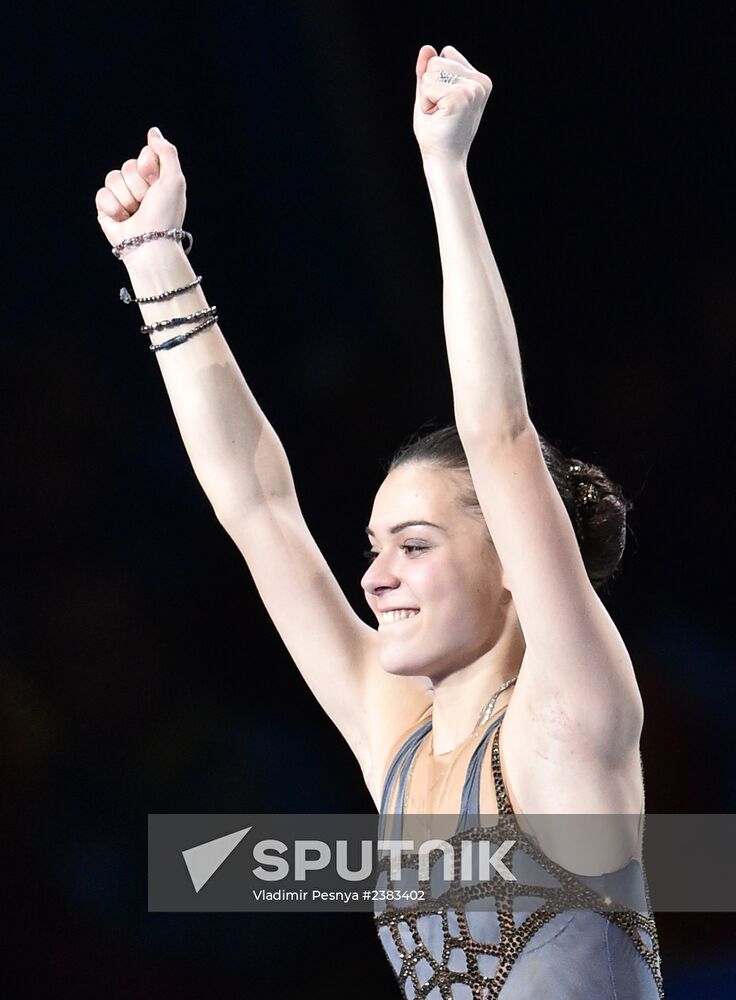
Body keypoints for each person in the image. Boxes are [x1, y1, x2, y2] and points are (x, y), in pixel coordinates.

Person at [95, 43, 663, 1000]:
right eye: (374, 549)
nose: (375, 577)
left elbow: (498, 431)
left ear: (516, 558)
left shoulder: (569, 720)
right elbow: (260, 511)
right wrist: (156, 262)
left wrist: (445, 169)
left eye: (415, 545)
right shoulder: (388, 726)